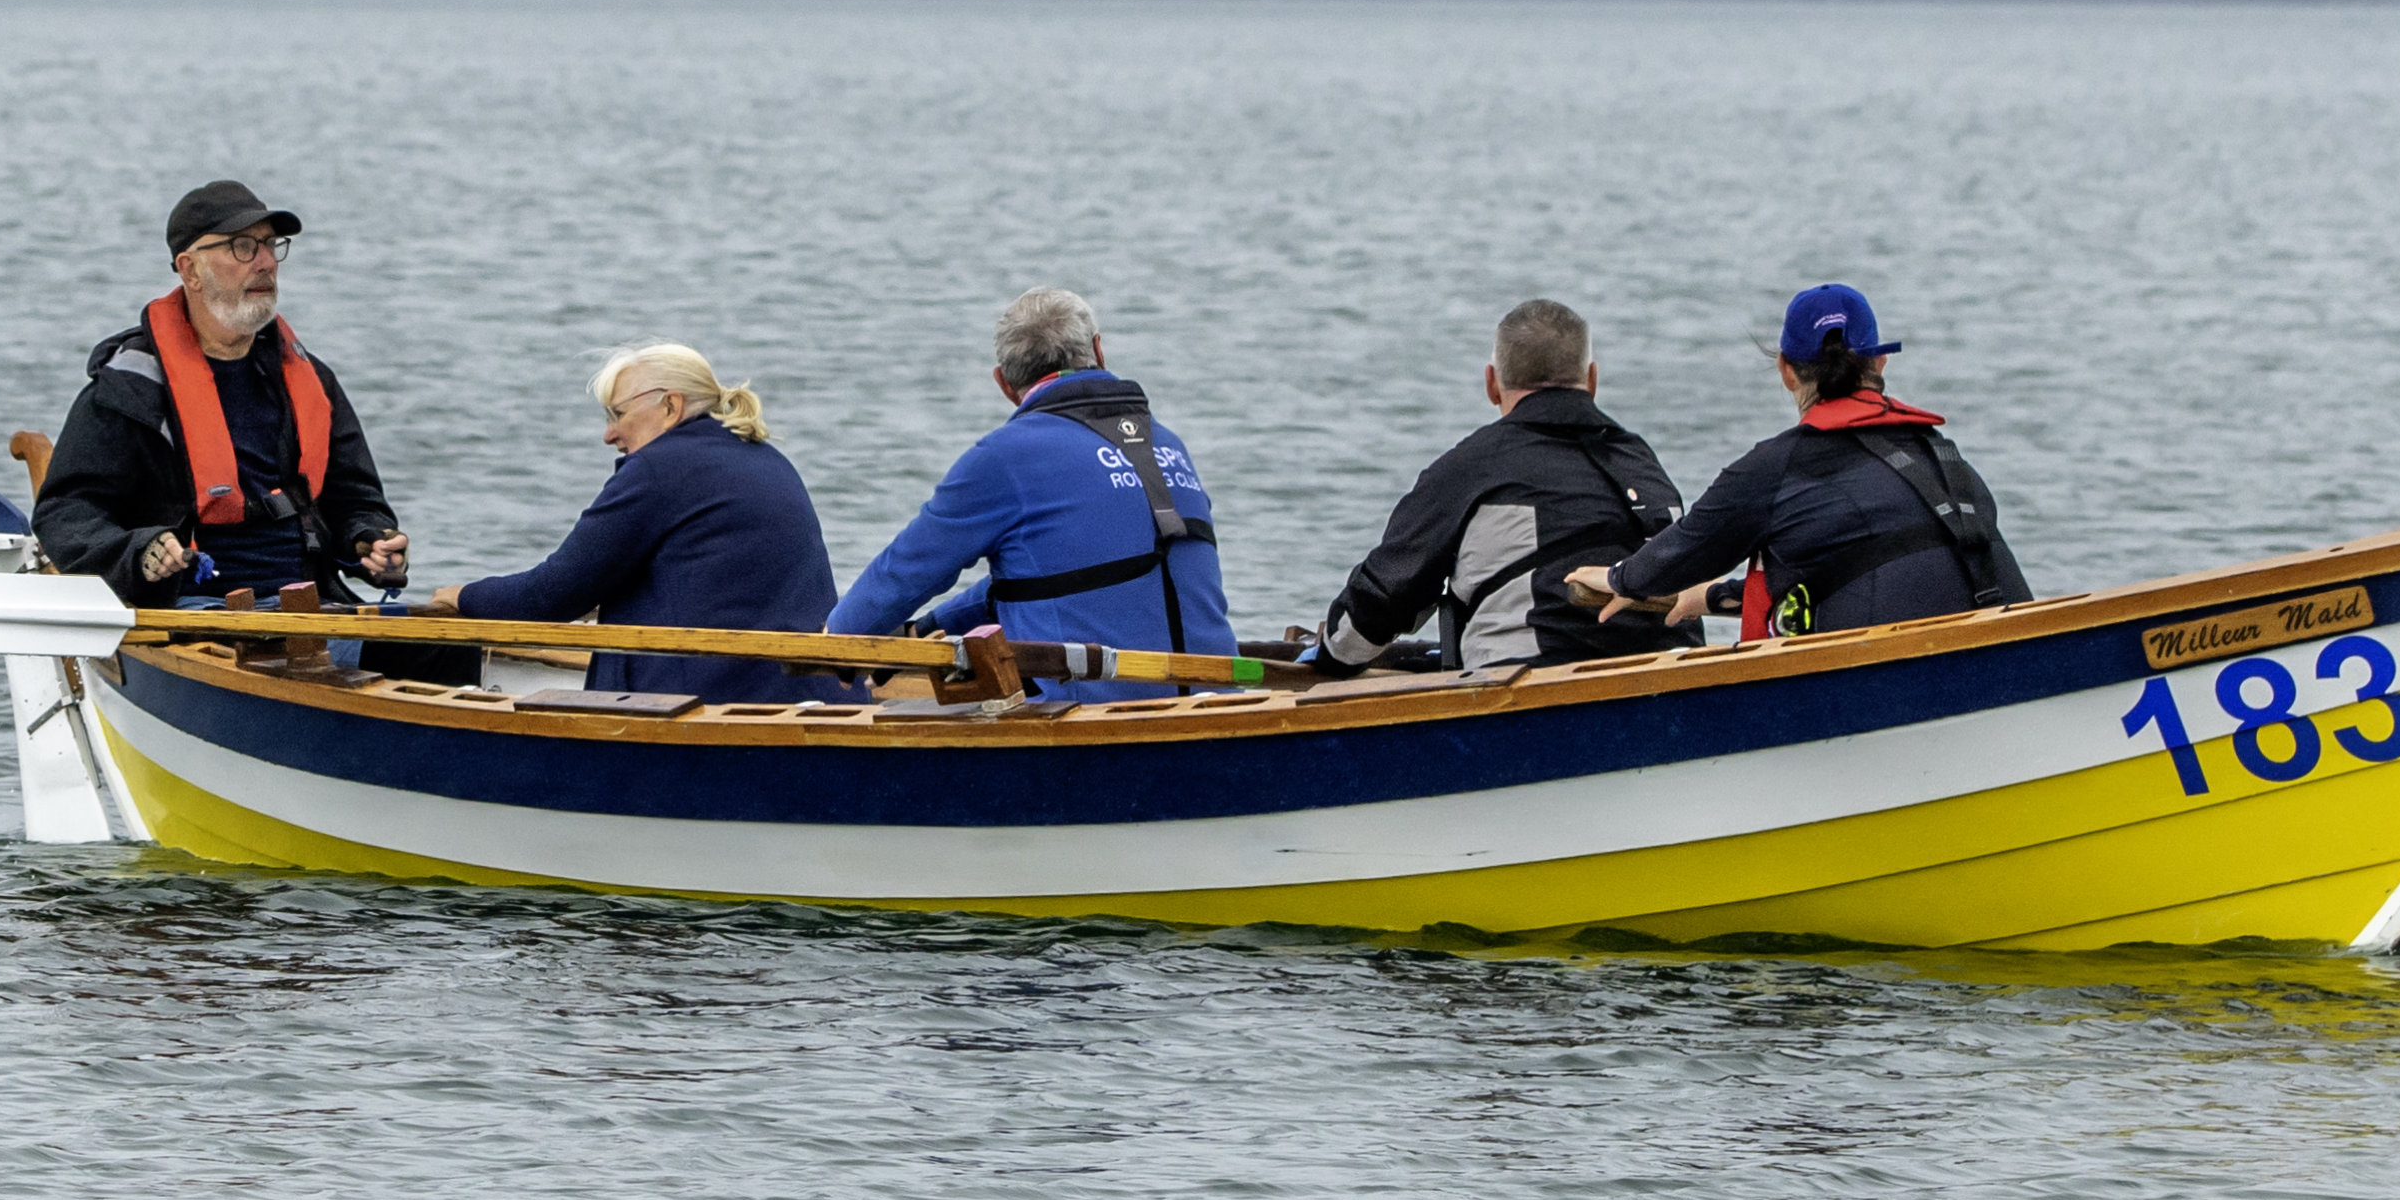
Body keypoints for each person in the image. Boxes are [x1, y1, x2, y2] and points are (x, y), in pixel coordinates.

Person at [827, 287, 1234, 702]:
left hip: (1096, 716)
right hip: (1223, 702)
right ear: (1099, 350)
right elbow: (1055, 577)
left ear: (1004, 384)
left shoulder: (1004, 457)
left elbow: (905, 570)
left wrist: (838, 642)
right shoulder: (1167, 444)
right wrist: (930, 628)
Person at [1566, 283, 2030, 639]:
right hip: (2008, 651)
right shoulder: (1945, 456)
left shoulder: (1772, 470)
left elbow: (1679, 554)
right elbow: (1873, 566)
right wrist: (1712, 597)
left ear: (1786, 371)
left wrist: (1619, 578)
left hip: (1887, 680)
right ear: (1879, 364)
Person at [32, 179, 412, 608]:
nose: (265, 262)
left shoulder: (312, 379)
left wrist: (370, 540)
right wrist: (140, 551)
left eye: (270, 245)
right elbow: (65, 513)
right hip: (194, 608)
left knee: (436, 643)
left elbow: (356, 500)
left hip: (311, 603)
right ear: (190, 270)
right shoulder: (131, 388)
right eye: (242, 247)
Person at [428, 344, 861, 705]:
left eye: (617, 414)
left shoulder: (660, 468)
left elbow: (550, 595)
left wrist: (461, 596)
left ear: (670, 406)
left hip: (712, 708)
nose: (609, 435)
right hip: (818, 697)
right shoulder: (767, 458)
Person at [1310, 297, 1702, 674]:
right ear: (1592, 379)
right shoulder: (1641, 462)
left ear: (1492, 384)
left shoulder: (1469, 468)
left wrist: (1332, 657)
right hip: (1677, 679)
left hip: (1532, 686)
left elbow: (1386, 595)